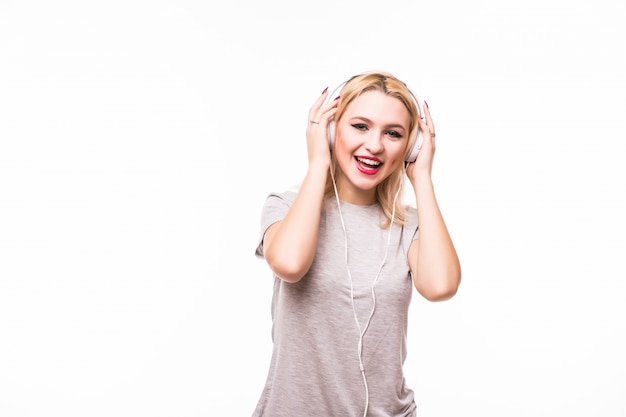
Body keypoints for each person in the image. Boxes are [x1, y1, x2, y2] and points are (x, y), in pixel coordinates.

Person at [252, 71, 461, 417]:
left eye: (393, 133)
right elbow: (289, 264)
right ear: (332, 129)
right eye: (360, 126)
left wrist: (422, 177)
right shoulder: (286, 207)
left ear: (411, 146)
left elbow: (440, 286)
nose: (375, 145)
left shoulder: (409, 227)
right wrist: (319, 161)